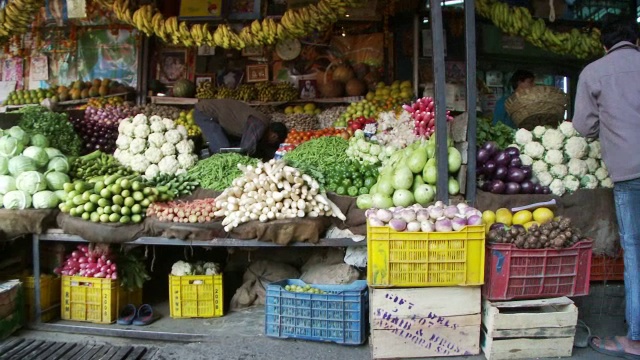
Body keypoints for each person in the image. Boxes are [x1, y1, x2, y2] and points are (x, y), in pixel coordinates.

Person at [573, 14, 640, 359]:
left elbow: (583, 127)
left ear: (604, 43)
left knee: (635, 252)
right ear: (636, 39)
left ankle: (636, 339)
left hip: (630, 173)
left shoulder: (595, 72)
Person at [194, 99, 288, 160]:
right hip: (205, 112)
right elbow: (246, 149)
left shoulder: (262, 123)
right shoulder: (259, 124)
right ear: (274, 135)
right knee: (222, 150)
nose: (272, 143)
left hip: (214, 114)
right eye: (275, 141)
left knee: (229, 147)